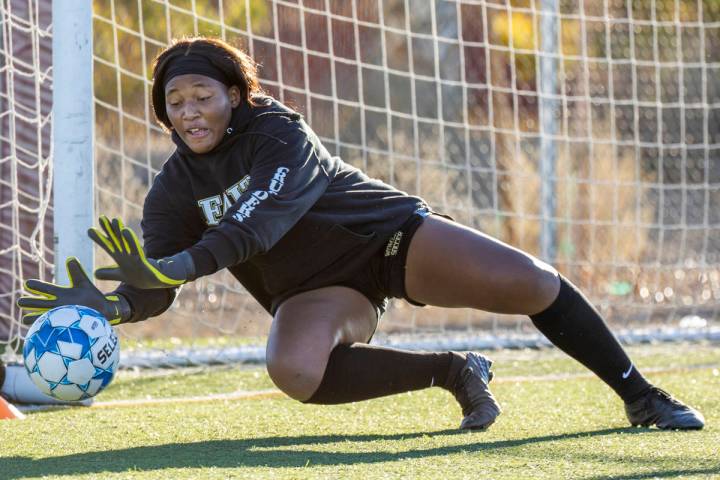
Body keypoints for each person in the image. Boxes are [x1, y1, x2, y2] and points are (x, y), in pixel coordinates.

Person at [18, 37, 704, 431]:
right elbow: (159, 281)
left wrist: (182, 265)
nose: (190, 111)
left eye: (203, 95)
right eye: (175, 102)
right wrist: (120, 304)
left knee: (533, 283)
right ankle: (454, 372)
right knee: (292, 370)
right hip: (315, 289)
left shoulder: (279, 132)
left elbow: (259, 221)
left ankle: (642, 395)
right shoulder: (172, 188)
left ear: (236, 94)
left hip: (389, 240)